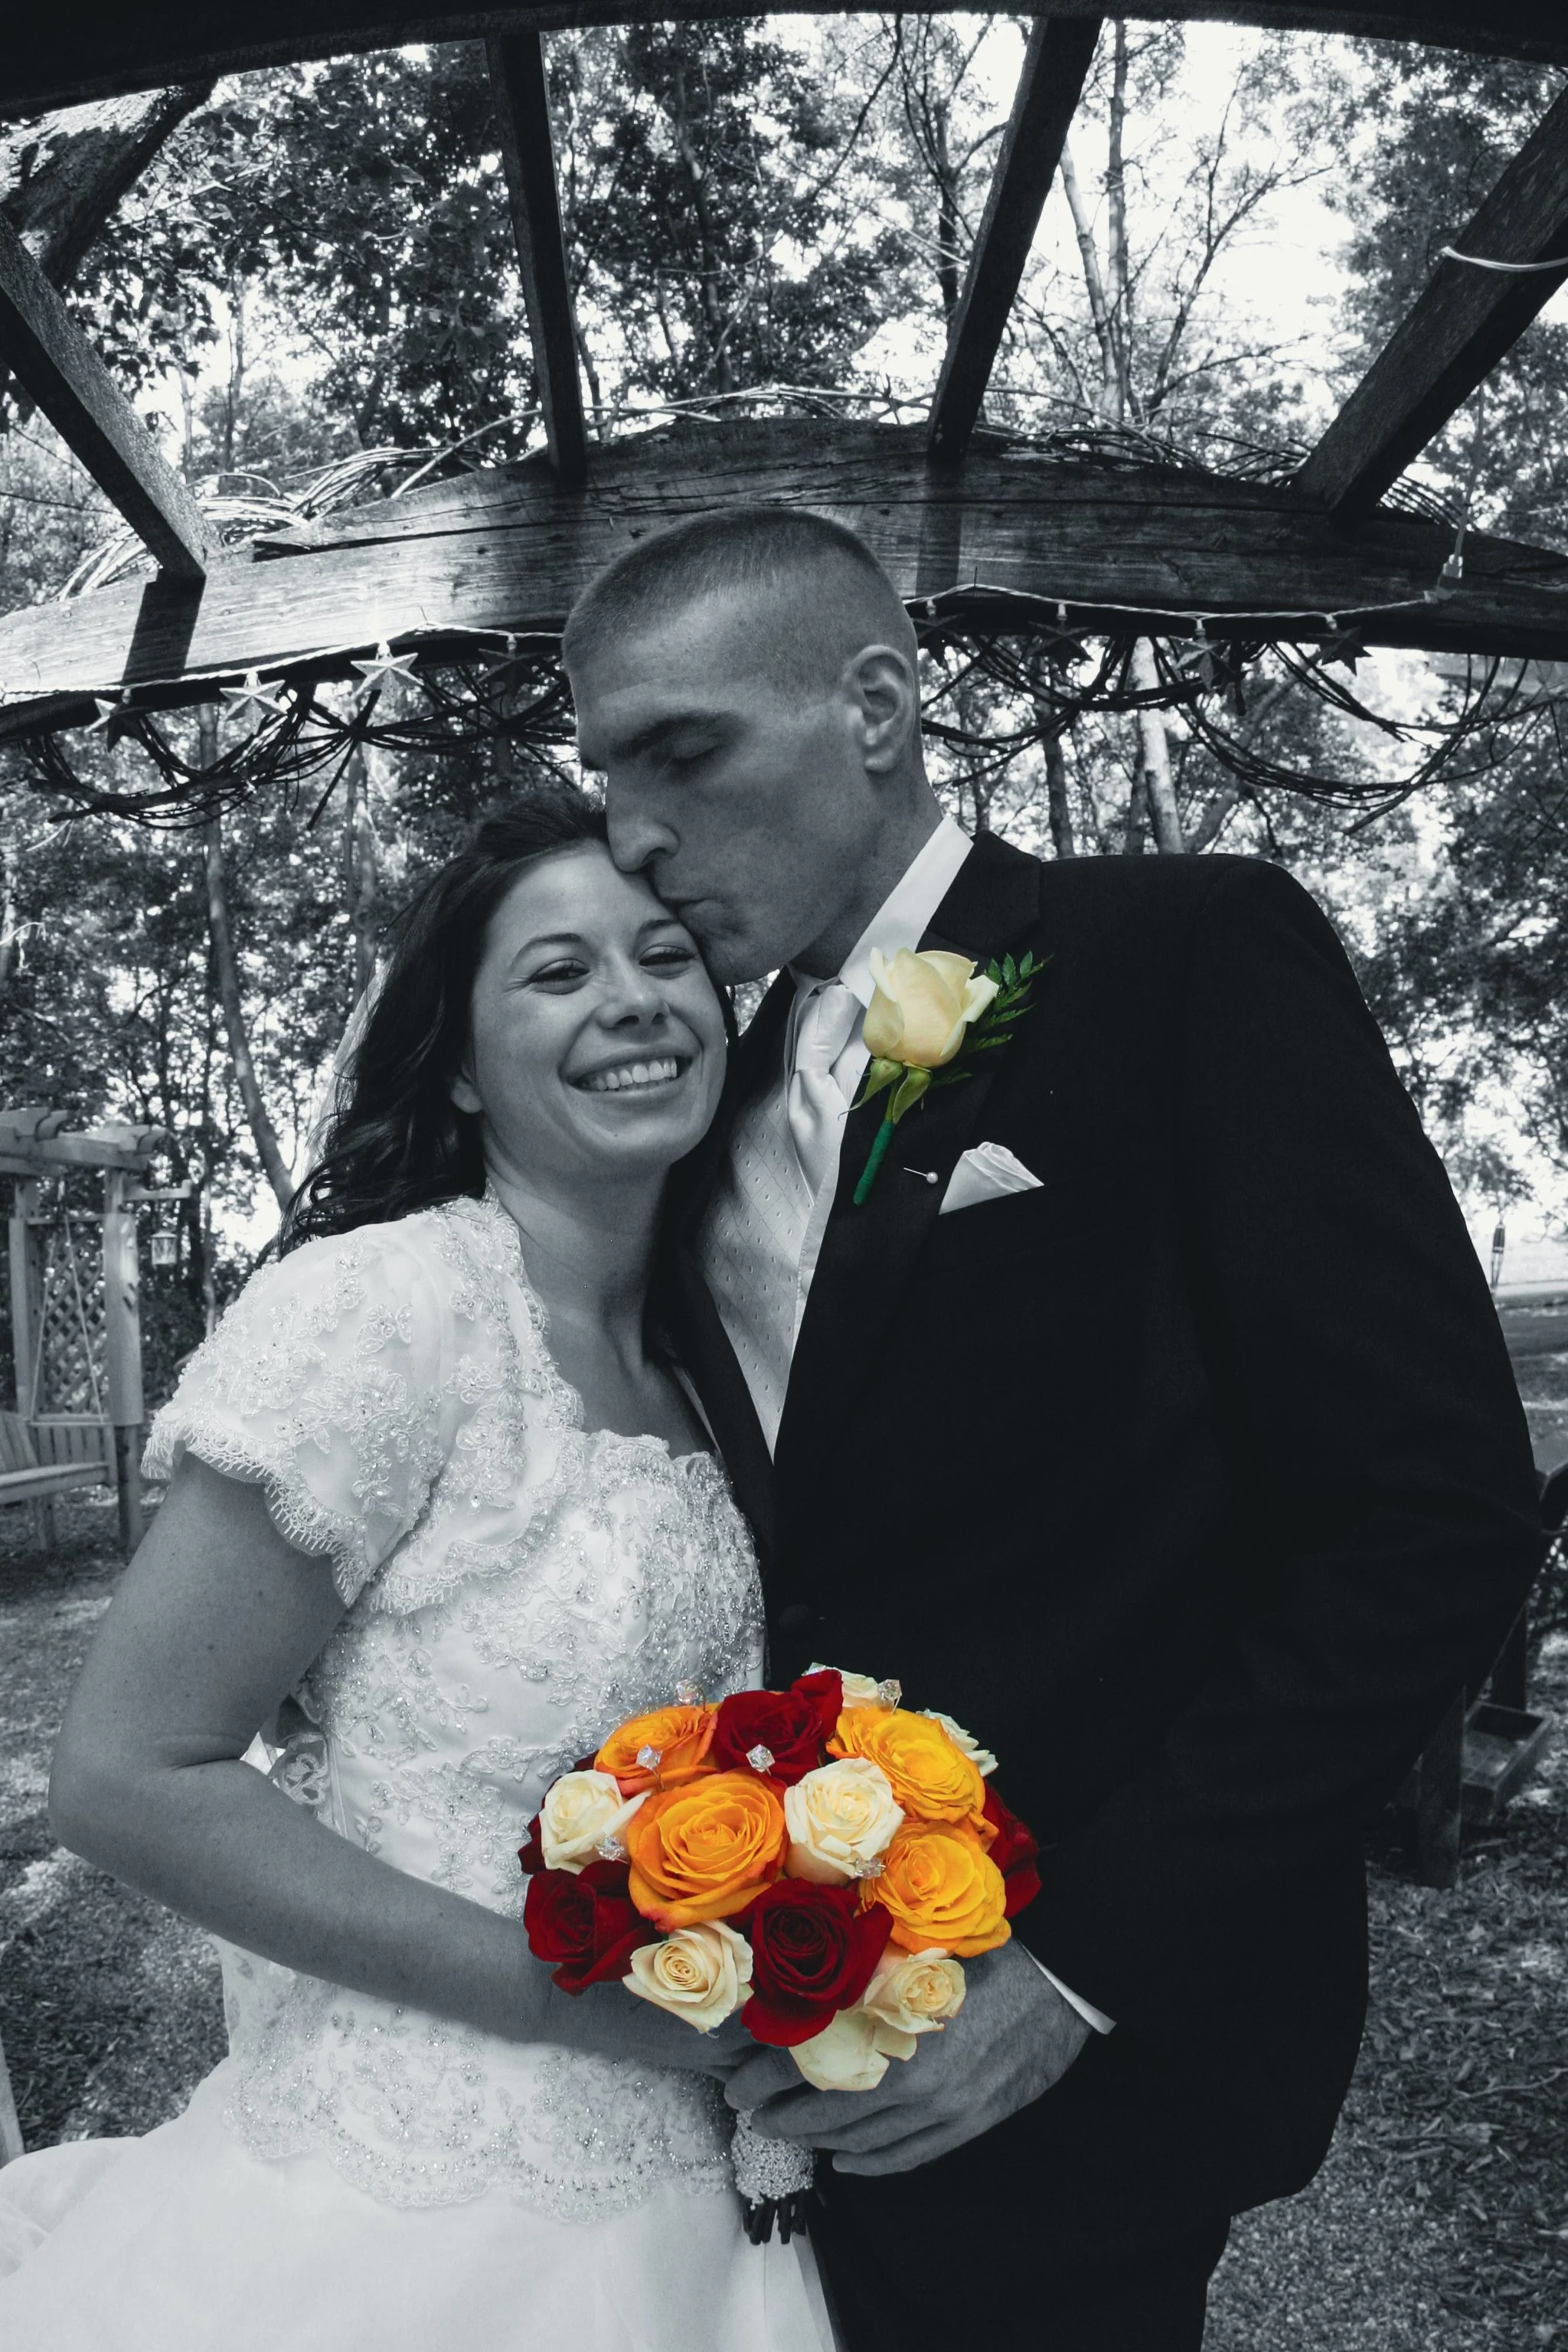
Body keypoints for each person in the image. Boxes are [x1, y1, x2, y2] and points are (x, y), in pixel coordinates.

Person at [563, 505, 1544, 2350]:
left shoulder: (1183, 957)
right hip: (743, 2018)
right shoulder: (699, 1084)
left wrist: (1074, 1973)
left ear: (876, 705)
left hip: (1084, 2033)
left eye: (685, 753)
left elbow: (1434, 1508)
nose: (635, 830)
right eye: (608, 773)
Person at [0, 795, 835, 2352]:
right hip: (420, 2199)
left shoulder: (721, 1355)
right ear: (456, 1060)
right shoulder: (382, 1312)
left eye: (664, 955)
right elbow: (125, 1774)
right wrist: (561, 1995)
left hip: (708, 2179)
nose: (632, 999)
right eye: (557, 972)